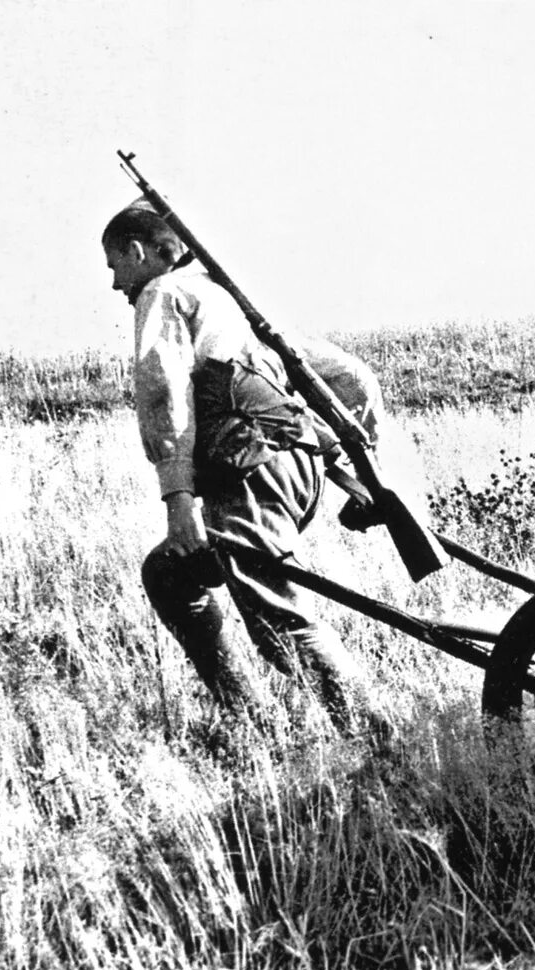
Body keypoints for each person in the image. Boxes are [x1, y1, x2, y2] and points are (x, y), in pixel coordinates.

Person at [101, 201, 416, 740]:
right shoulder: (224, 297)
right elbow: (351, 375)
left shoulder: (163, 293)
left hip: (248, 470)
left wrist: (178, 499)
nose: (115, 284)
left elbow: (163, 391)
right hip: (294, 471)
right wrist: (355, 473)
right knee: (170, 575)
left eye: (115, 266)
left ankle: (381, 736)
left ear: (138, 252)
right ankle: (249, 720)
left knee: (278, 622)